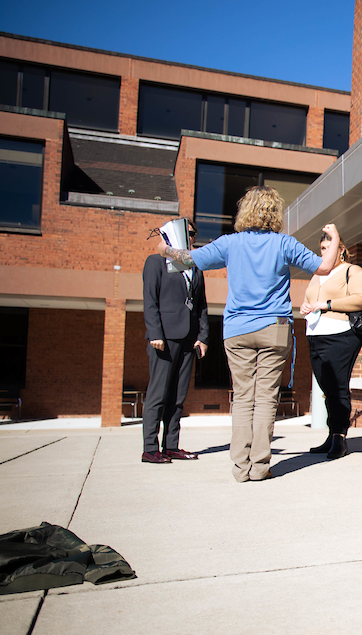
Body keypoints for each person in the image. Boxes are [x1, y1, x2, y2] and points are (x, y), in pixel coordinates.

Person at [157, 186, 343, 482]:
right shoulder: (284, 244)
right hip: (274, 329)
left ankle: (240, 468)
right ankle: (259, 466)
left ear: (245, 211)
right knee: (266, 398)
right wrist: (332, 239)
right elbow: (325, 266)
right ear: (274, 213)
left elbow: (187, 260)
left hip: (238, 330)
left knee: (243, 398)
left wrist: (167, 249)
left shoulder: (230, 243)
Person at [141, 221, 208, 464]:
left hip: (189, 339)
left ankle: (171, 446)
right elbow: (150, 301)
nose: (192, 238)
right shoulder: (155, 262)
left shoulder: (194, 266)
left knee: (178, 397)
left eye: (194, 235)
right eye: (189, 234)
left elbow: (201, 305)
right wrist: (155, 333)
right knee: (158, 395)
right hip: (164, 339)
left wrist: (202, 336)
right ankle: (150, 448)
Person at [300, 232, 362, 460]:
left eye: (328, 247)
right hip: (315, 335)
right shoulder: (317, 274)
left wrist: (328, 304)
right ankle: (332, 435)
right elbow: (311, 300)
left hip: (340, 335)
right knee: (327, 390)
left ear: (340, 249)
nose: (324, 252)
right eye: (321, 248)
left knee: (338, 387)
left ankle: (340, 438)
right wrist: (305, 306)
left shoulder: (352, 271)